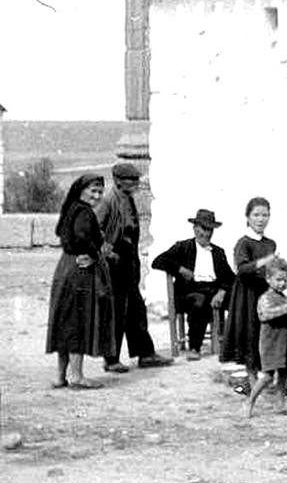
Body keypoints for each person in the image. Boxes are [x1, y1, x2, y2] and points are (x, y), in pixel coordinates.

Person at [93, 162, 173, 371]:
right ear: (119, 181)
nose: (136, 184)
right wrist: (108, 251)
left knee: (136, 309)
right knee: (116, 311)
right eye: (131, 180)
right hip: (114, 264)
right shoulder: (109, 201)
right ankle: (110, 360)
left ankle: (145, 354)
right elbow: (94, 229)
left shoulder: (127, 199)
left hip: (128, 263)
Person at [47, 174, 115, 389]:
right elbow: (81, 237)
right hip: (80, 270)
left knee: (64, 322)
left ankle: (60, 376)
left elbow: (64, 234)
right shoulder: (85, 213)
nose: (96, 196)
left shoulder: (71, 208)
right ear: (81, 190)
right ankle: (76, 376)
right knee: (79, 321)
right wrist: (95, 254)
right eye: (92, 191)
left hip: (65, 267)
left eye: (100, 192)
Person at [151, 209, 235, 360]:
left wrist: (222, 292)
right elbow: (158, 261)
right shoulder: (183, 247)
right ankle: (195, 347)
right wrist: (180, 269)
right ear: (195, 228)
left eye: (210, 229)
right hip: (189, 292)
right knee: (200, 301)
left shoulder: (218, 252)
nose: (207, 234)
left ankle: (235, 344)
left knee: (239, 298)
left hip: (214, 291)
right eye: (203, 228)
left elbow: (230, 278)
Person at [220, 197, 276, 382]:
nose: (261, 219)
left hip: (265, 294)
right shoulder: (243, 243)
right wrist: (265, 261)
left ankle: (266, 376)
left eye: (265, 215)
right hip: (248, 295)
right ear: (248, 217)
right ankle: (252, 379)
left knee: (266, 334)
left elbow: (273, 268)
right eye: (256, 215)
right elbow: (242, 269)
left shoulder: (270, 244)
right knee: (250, 334)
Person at [245, 257, 287, 419]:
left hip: (284, 341)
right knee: (267, 375)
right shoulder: (265, 298)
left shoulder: (284, 297)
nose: (282, 283)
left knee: (283, 374)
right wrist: (286, 309)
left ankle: (280, 404)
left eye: (285, 280)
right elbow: (264, 315)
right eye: (278, 279)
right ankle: (250, 402)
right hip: (270, 343)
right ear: (268, 279)